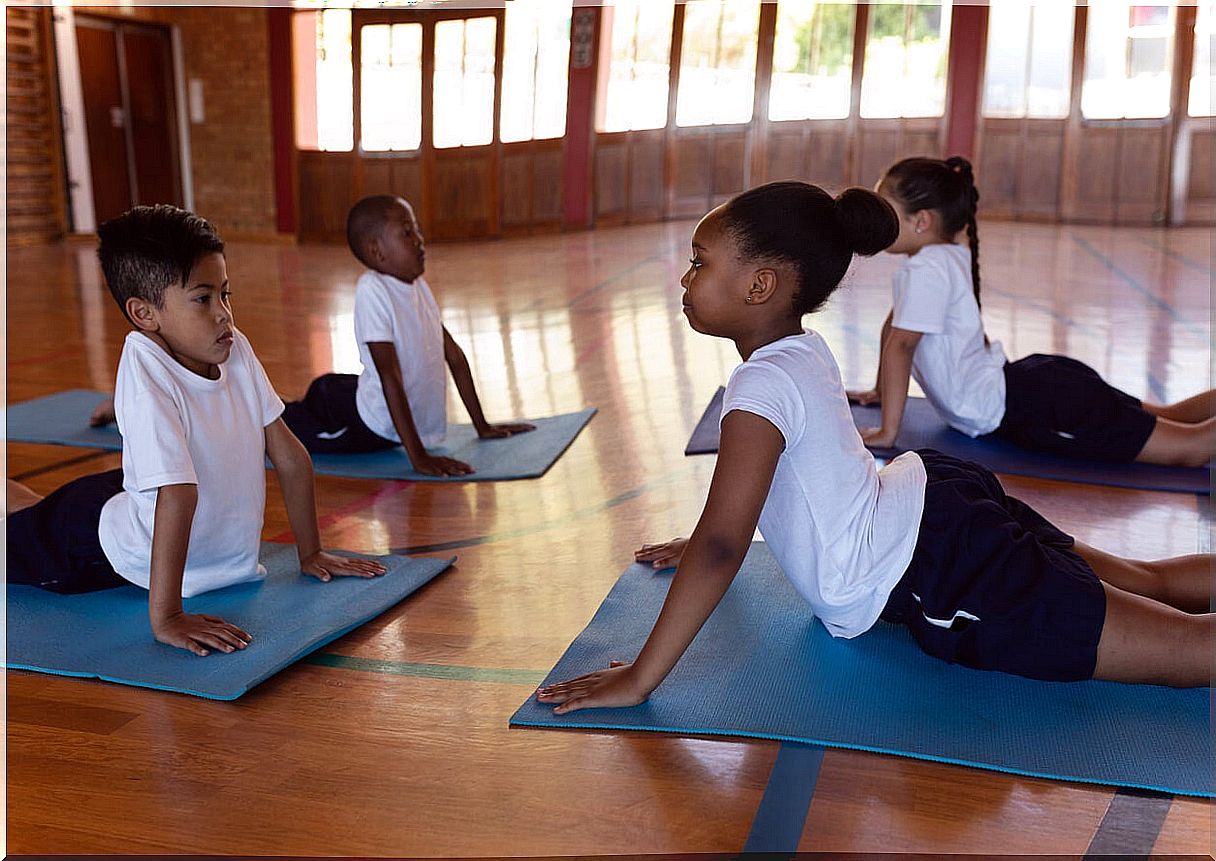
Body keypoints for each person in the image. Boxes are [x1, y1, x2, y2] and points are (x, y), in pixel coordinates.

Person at [536, 181, 1212, 714]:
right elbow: (780, 488)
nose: (685, 279)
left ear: (760, 284)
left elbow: (723, 544)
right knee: (1148, 582)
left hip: (945, 563)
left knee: (1184, 649)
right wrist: (707, 535)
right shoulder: (798, 351)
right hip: (939, 505)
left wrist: (641, 677)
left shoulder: (758, 388)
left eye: (698, 262)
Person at [7, 204, 386, 657]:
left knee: (37, 511)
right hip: (92, 545)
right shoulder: (145, 372)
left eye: (226, 293)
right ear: (145, 314)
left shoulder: (234, 348)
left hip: (133, 499)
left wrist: (312, 554)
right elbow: (178, 493)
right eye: (203, 299)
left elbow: (289, 454)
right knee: (24, 532)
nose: (224, 313)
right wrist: (167, 617)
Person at [846, 155, 1213, 468]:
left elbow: (901, 345)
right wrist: (880, 390)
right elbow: (893, 328)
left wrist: (887, 432)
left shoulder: (928, 268)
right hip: (1035, 386)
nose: (879, 222)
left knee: (1191, 449)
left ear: (921, 221)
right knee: (1174, 418)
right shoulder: (935, 259)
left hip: (1042, 407)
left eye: (885, 210)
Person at [281, 195, 534, 477]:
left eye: (417, 230)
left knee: (337, 387)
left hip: (361, 395)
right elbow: (390, 375)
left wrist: (483, 426)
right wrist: (418, 458)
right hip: (367, 422)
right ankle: (259, 406)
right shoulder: (372, 290)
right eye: (407, 232)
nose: (419, 239)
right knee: (287, 426)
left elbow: (455, 356)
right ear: (377, 251)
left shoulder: (418, 288)